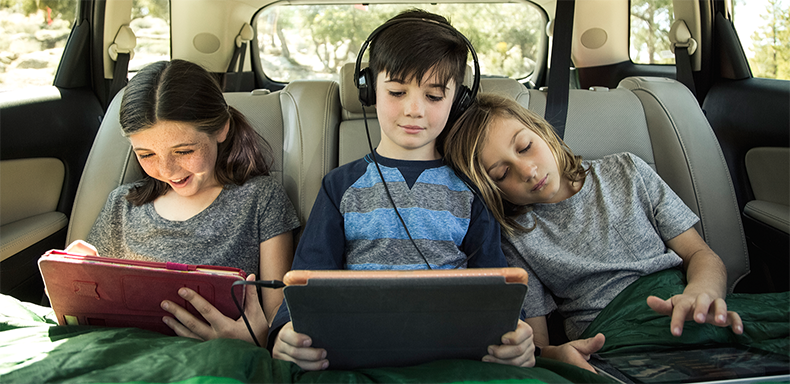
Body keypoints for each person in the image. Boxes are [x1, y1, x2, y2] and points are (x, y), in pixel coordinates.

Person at [268, 10, 537, 371]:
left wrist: (515, 334)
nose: (414, 110)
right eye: (397, 91)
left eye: (434, 96)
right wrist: (284, 332)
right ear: (369, 90)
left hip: (454, 356)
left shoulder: (471, 189)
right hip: (356, 353)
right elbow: (305, 281)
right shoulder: (340, 185)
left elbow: (496, 287)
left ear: (458, 100)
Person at [443, 93, 745, 371]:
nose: (528, 171)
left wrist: (703, 292)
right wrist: (557, 354)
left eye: (525, 147)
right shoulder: (516, 236)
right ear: (492, 190)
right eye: (503, 173)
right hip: (614, 343)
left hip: (686, 311)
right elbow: (538, 343)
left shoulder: (627, 171)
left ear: (543, 132)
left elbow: (700, 254)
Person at [65, 59, 301, 342]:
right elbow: (81, 312)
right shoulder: (122, 205)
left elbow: (279, 321)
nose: (167, 171)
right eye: (147, 155)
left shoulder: (261, 199)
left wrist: (256, 339)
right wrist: (72, 280)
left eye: (183, 151)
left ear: (221, 130)